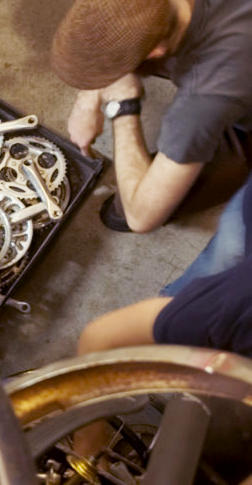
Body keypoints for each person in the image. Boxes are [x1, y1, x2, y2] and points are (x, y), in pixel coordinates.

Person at [50, 0, 252, 233]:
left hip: (238, 90)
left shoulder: (203, 97)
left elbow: (141, 217)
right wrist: (88, 99)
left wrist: (122, 106)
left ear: (157, 52)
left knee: (128, 209)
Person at [72, 171, 252, 470]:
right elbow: (100, 340)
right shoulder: (241, 300)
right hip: (235, 293)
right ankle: (178, 313)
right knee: (228, 250)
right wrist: (88, 458)